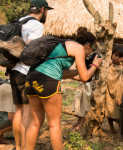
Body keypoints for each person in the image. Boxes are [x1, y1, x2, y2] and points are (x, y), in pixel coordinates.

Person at [24, 27, 103, 150]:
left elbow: (64, 74)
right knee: (54, 124)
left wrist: (79, 70)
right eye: (92, 50)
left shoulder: (62, 45)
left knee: (35, 122)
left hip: (31, 78)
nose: (90, 53)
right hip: (47, 81)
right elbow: (84, 77)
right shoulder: (79, 48)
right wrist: (94, 65)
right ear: (88, 45)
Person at [9, 0, 53, 149]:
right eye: (46, 10)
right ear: (42, 9)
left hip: (13, 69)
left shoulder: (19, 21)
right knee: (27, 112)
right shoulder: (35, 25)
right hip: (25, 71)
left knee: (19, 111)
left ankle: (18, 145)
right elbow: (31, 49)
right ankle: (23, 148)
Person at [105, 45, 123, 134]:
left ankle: (121, 129)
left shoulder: (122, 68)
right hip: (108, 91)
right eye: (115, 55)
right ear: (112, 54)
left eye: (120, 57)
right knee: (108, 108)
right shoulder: (108, 66)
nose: (117, 58)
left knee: (119, 111)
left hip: (118, 92)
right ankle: (111, 127)